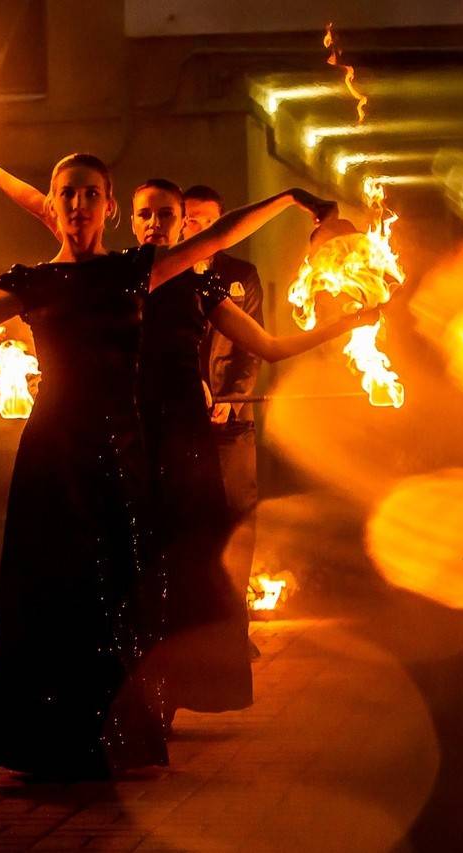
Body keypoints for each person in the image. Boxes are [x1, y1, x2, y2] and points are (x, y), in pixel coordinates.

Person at [0, 151, 339, 778]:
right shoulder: (33, 282)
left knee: (120, 596)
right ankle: (43, 743)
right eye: (67, 194)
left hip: (121, 452)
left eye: (90, 194)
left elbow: (216, 237)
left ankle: (114, 738)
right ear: (55, 204)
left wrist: (289, 199)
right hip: (53, 453)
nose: (78, 205)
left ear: (108, 206)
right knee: (50, 593)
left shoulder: (135, 272)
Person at [0, 146, 376, 727]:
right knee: (125, 571)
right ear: (128, 218)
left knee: (186, 566)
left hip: (181, 440)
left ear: (183, 224)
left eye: (167, 215)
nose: (154, 224)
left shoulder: (194, 284)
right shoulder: (117, 273)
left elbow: (266, 341)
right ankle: (119, 697)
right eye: (145, 214)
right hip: (123, 433)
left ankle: (170, 691)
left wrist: (344, 322)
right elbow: (45, 205)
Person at [184, 185, 264, 631]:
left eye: (206, 219)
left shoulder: (241, 275)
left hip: (232, 420)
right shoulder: (168, 273)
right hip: (181, 418)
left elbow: (252, 346)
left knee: (237, 519)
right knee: (189, 523)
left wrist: (232, 400)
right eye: (188, 217)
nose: (195, 226)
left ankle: (235, 627)